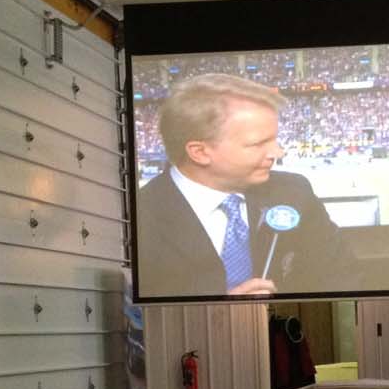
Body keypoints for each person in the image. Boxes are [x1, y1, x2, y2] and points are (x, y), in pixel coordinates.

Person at [134, 74, 358, 299]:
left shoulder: (293, 192)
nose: (277, 153)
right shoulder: (142, 217)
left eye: (274, 140)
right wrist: (215, 309)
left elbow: (343, 275)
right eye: (258, 143)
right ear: (200, 152)